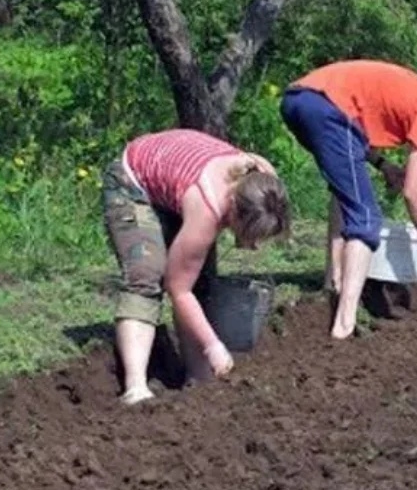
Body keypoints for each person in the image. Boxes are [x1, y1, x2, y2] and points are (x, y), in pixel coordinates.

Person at [280, 60, 417, 339]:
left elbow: (353, 139)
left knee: (345, 192)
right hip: (330, 111)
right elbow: (413, 192)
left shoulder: (409, 87)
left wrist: (384, 166)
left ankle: (334, 281)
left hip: (298, 100)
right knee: (367, 218)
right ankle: (344, 325)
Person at [103, 129, 290, 405]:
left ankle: (199, 379)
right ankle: (135, 388)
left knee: (195, 278)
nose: (254, 246)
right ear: (234, 211)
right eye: (251, 235)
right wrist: (214, 347)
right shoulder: (207, 209)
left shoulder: (262, 179)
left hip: (175, 176)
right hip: (131, 181)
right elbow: (178, 290)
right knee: (146, 274)